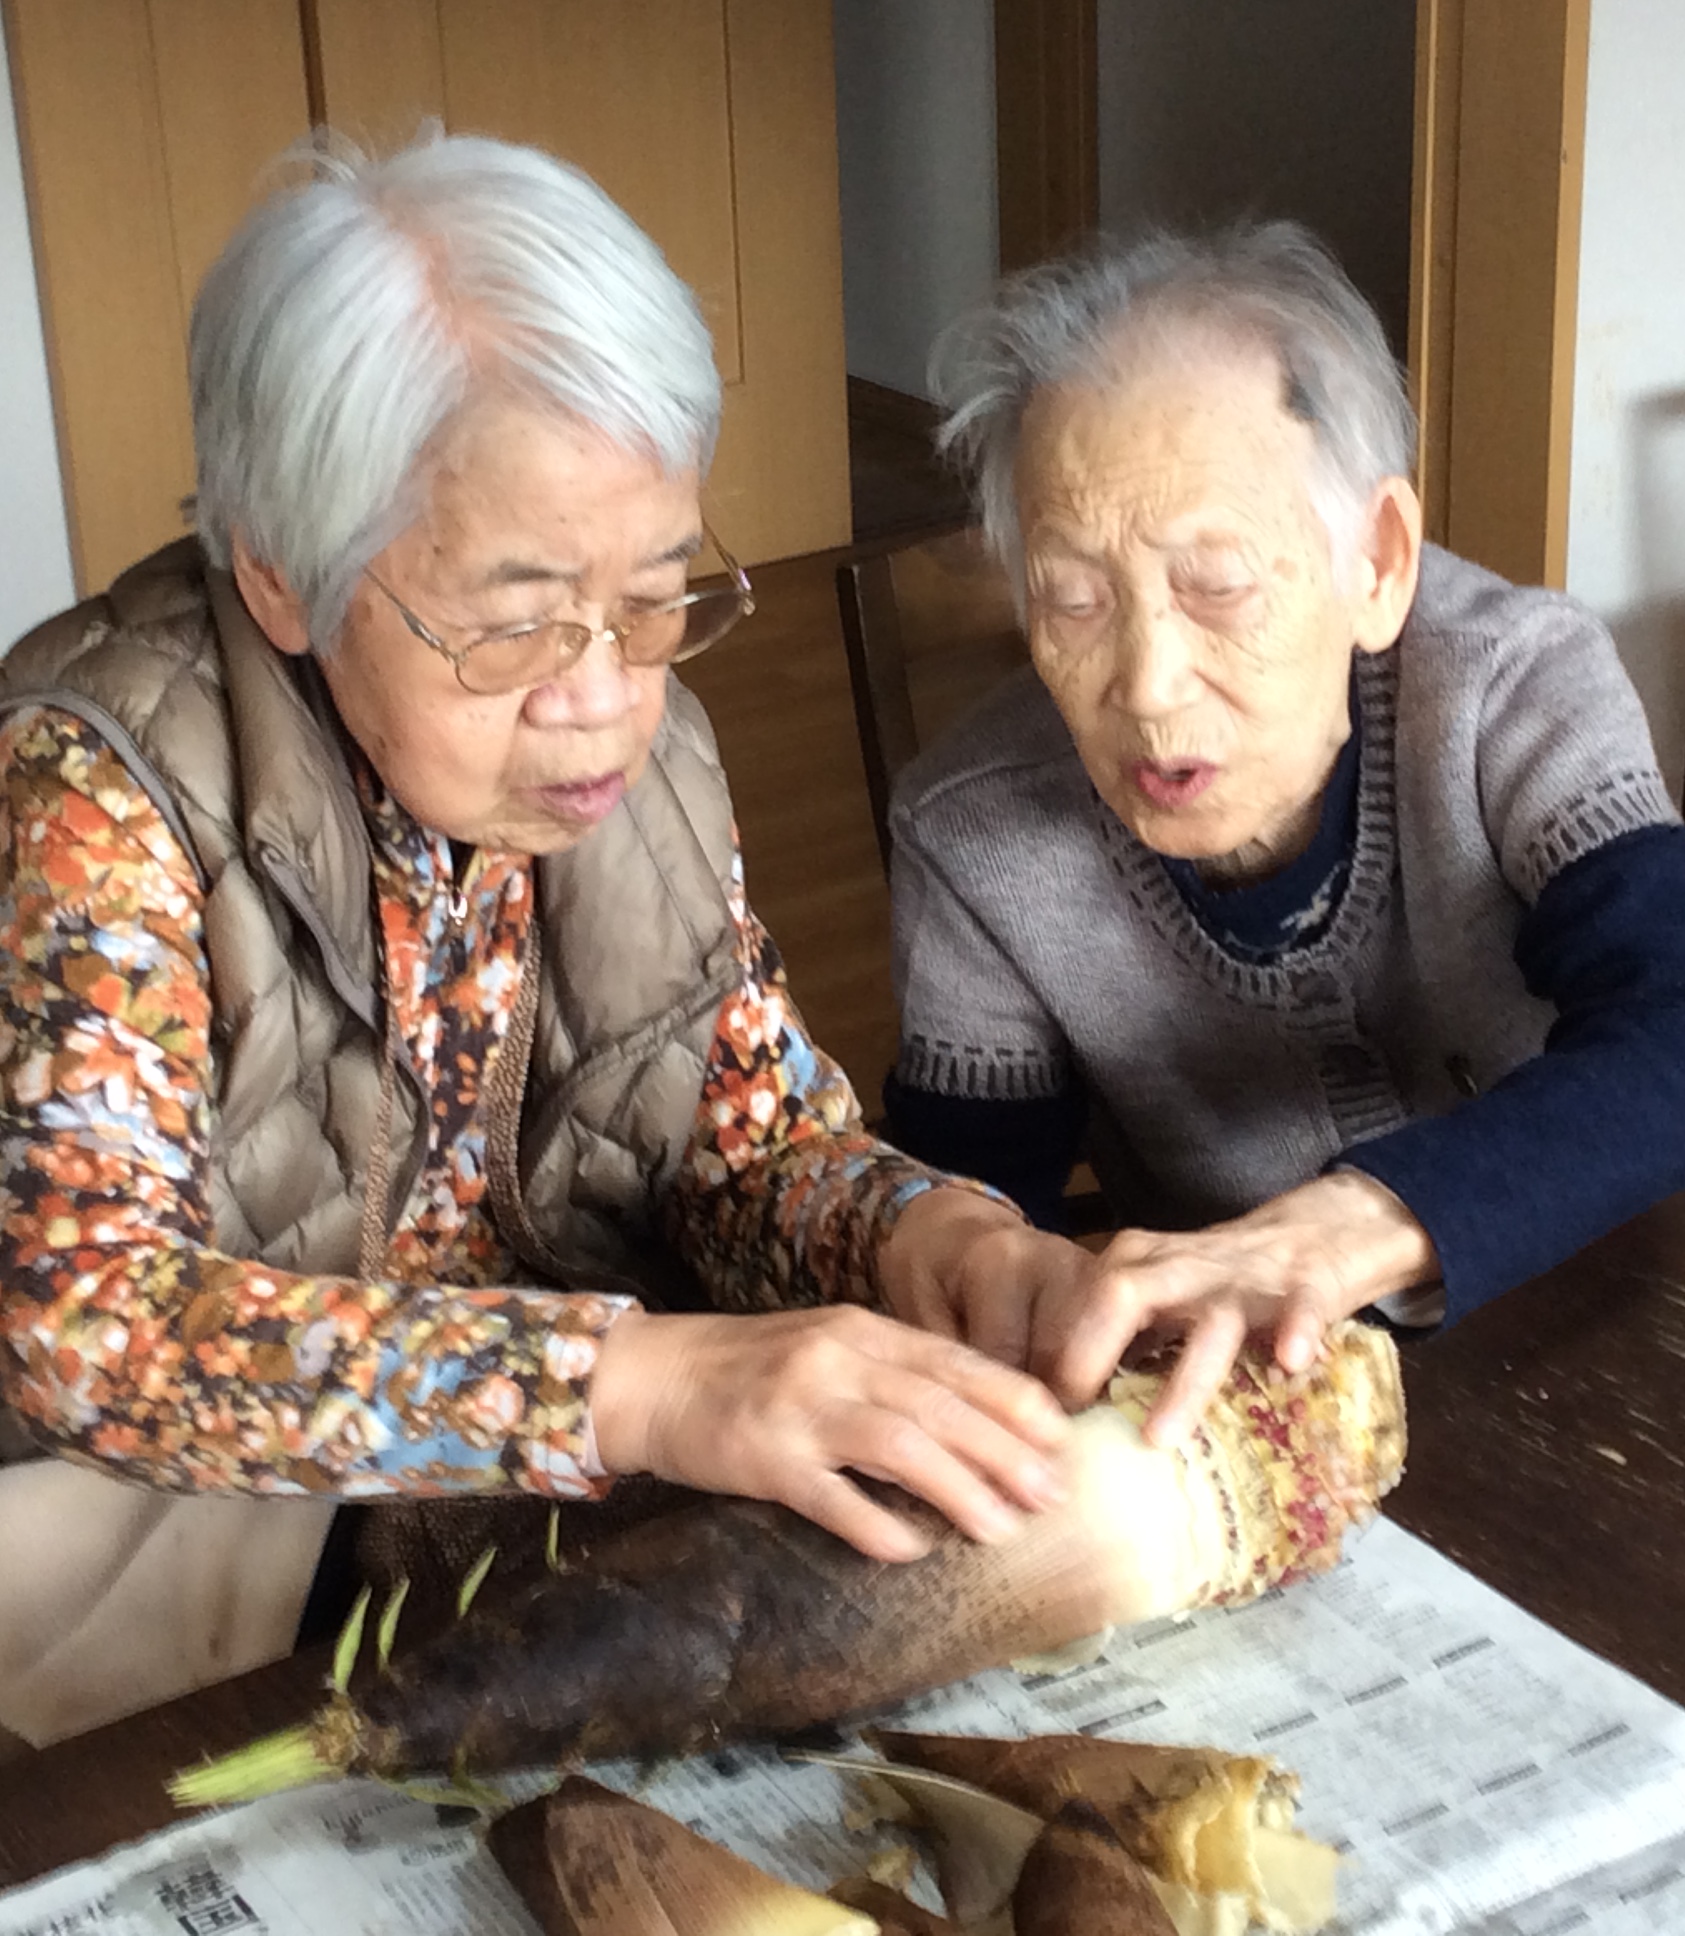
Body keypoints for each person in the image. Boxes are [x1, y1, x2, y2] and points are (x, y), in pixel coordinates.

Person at [0, 129, 1091, 1746]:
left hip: (526, 1510)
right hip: (200, 1565)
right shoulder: (96, 787)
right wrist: (639, 1386)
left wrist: (932, 1238)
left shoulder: (649, 762)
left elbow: (754, 1145)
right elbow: (90, 1331)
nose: (602, 701)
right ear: (284, 578)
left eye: (654, 598)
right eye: (514, 626)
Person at [883, 223, 1685, 1446]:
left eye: (1216, 584)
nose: (1144, 683)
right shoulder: (972, 832)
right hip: (1276, 1396)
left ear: (1378, 564)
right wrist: (987, 1266)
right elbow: (970, 1207)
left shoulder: (1510, 684)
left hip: (1633, 1280)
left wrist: (1361, 1221)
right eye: (1072, 599)